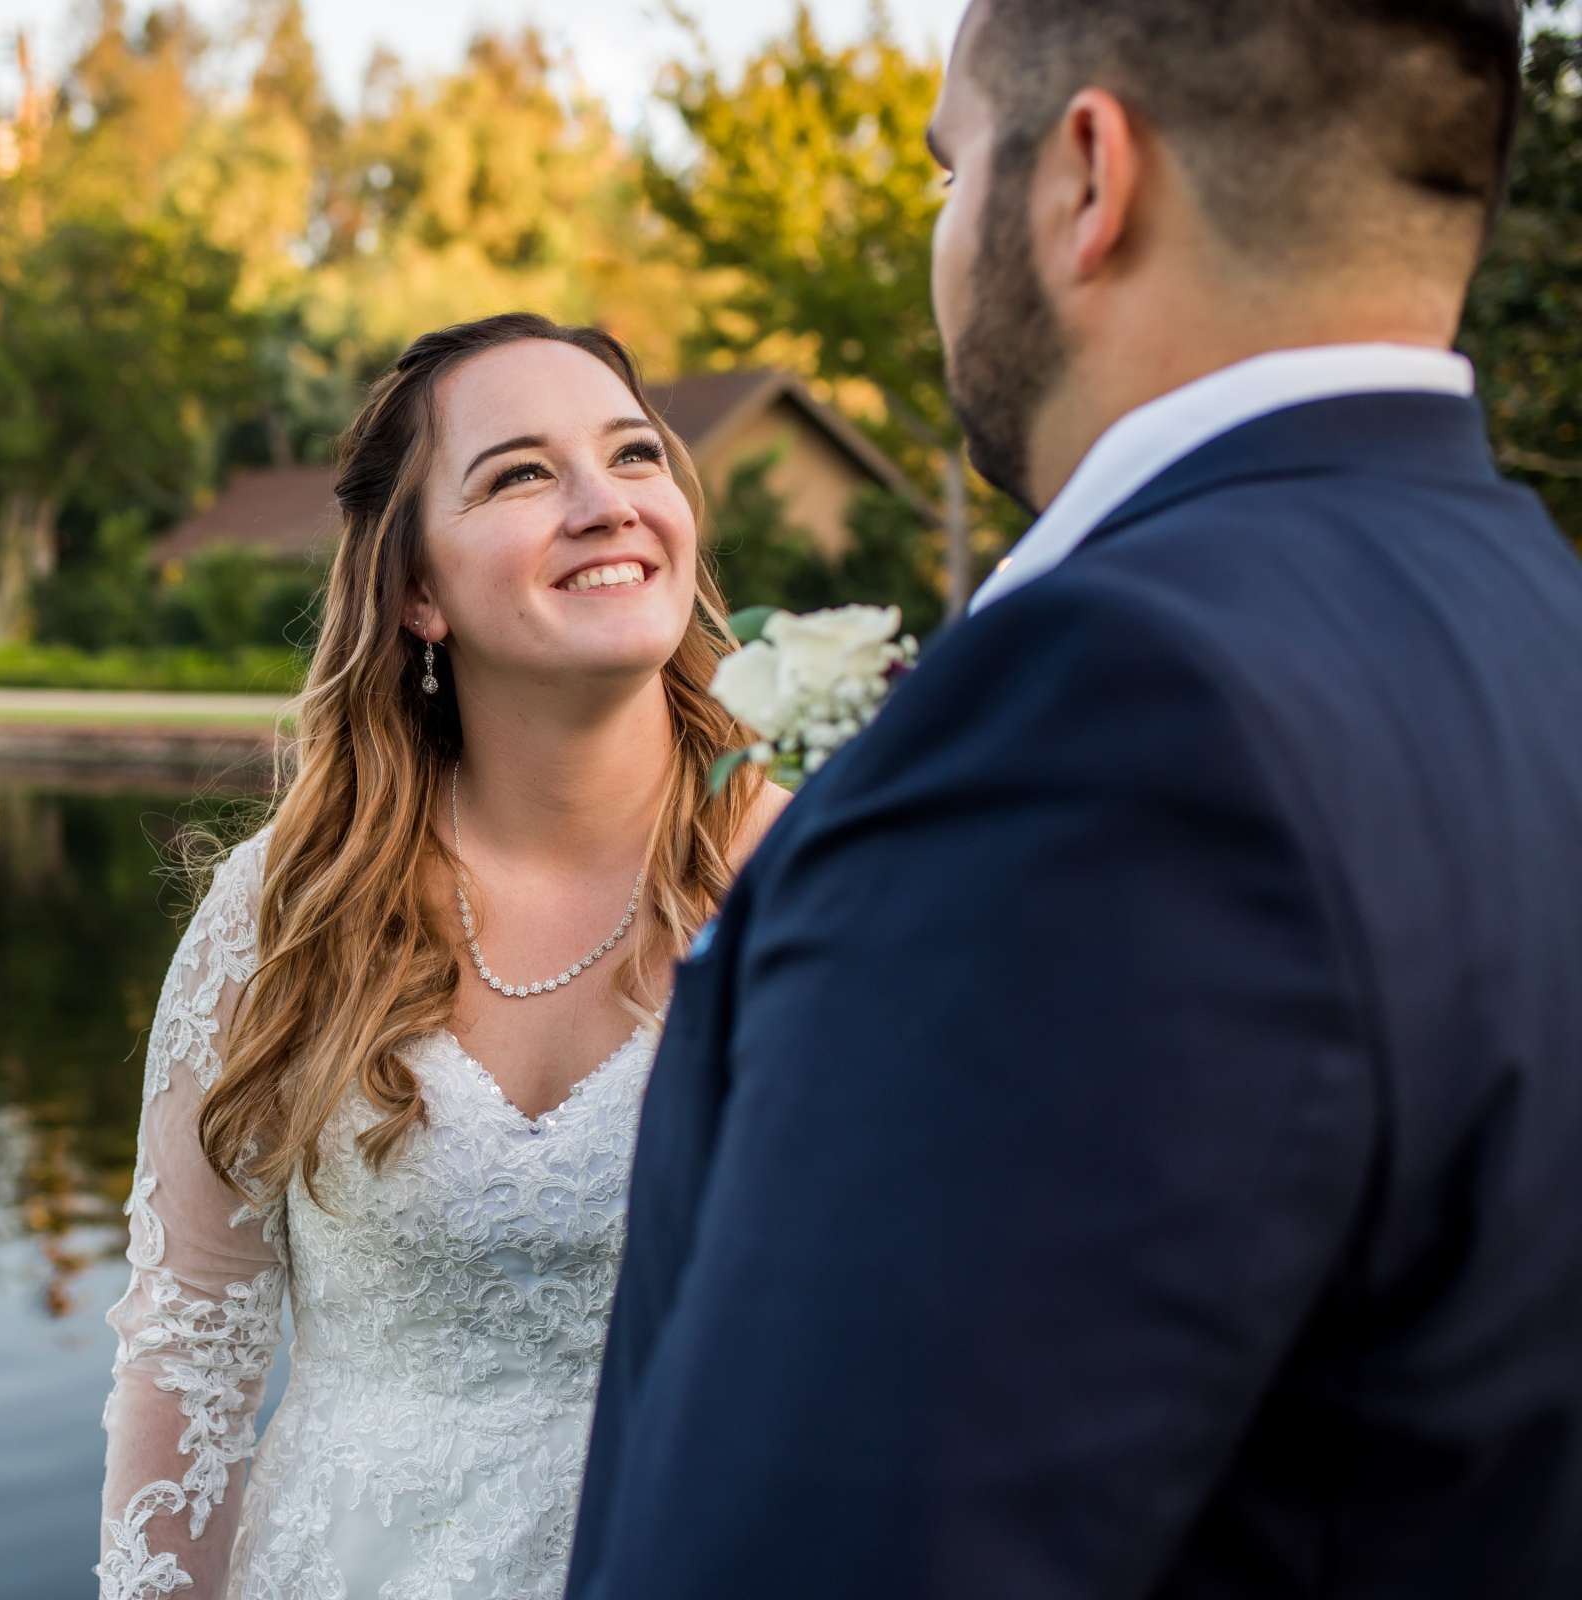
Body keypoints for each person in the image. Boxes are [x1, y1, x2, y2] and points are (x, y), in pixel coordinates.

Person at [569, 0, 1582, 1594]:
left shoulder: (1114, 721)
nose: (943, 232)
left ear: (1087, 180)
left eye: (951, 166)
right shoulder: (1536, 618)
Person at [95, 312, 790, 1598]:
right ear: (417, 590)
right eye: (522, 473)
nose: (605, 504)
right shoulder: (290, 911)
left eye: (636, 456)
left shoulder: (819, 888)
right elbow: (190, 1340)